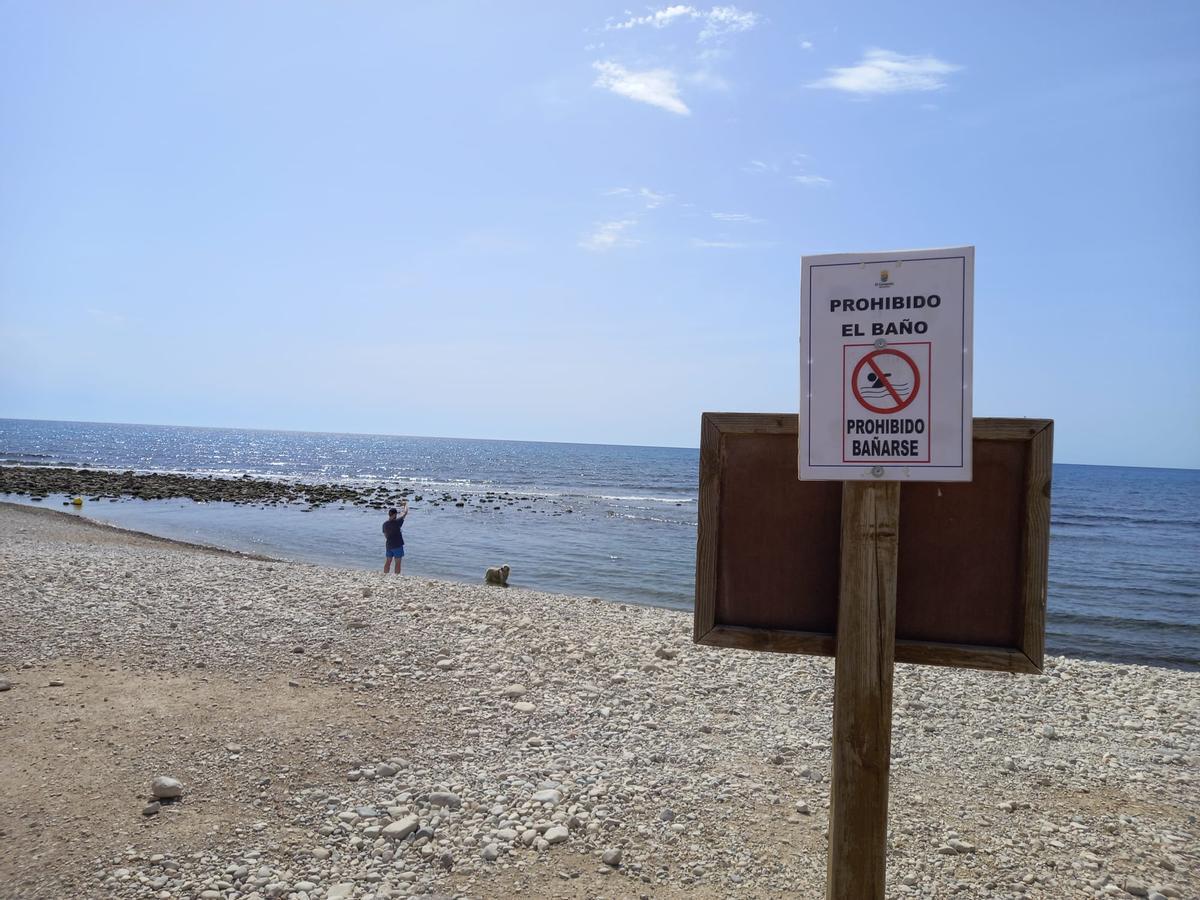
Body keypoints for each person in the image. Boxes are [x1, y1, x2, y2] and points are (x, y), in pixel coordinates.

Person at [382, 503, 408, 574]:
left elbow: (385, 535)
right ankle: (396, 577)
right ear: (394, 515)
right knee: (398, 563)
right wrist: (405, 505)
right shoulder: (397, 522)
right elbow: (405, 513)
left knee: (388, 561)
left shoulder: (385, 524)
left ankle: (385, 575)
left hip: (389, 545)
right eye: (396, 514)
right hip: (397, 545)